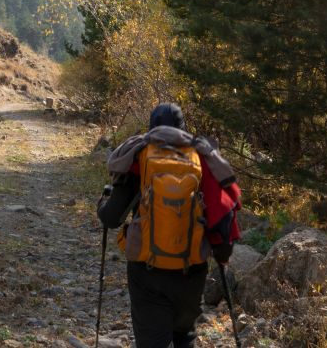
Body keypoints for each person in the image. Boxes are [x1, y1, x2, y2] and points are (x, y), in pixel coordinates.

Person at [97, 103, 241, 348]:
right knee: (185, 335)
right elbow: (223, 219)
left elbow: (111, 218)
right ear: (183, 128)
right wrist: (221, 255)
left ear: (151, 127)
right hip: (191, 271)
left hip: (147, 271)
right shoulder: (201, 159)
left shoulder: (139, 156)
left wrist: (103, 202)